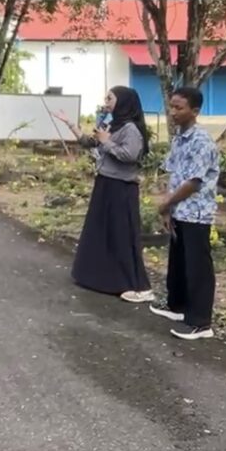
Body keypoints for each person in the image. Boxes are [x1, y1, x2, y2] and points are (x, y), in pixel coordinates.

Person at [54, 86, 153, 303]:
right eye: (106, 98)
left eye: (110, 98)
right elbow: (90, 143)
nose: (106, 101)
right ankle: (102, 279)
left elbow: (130, 155)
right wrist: (70, 123)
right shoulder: (112, 124)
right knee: (102, 233)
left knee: (122, 235)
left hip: (122, 188)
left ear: (124, 102)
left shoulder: (131, 129)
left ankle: (135, 284)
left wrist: (107, 140)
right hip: (106, 183)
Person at [150, 87, 220, 340]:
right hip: (179, 210)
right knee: (178, 261)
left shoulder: (202, 142)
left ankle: (201, 322)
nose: (173, 112)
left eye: (179, 107)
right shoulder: (179, 137)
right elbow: (173, 172)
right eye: (171, 106)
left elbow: (194, 182)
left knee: (197, 266)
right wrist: (168, 208)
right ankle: (177, 306)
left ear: (195, 111)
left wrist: (166, 202)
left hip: (197, 213)